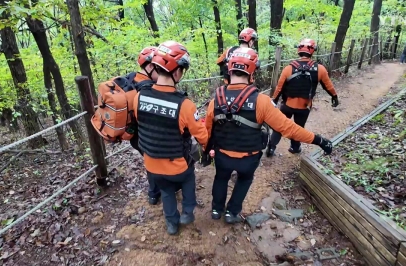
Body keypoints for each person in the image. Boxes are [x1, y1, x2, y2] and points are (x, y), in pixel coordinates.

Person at [204, 47, 333, 224]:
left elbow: (208, 132)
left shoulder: (214, 101)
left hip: (222, 155)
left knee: (220, 178)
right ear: (251, 73)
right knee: (244, 180)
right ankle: (231, 212)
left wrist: (206, 151)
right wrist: (318, 140)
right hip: (248, 158)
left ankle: (217, 210)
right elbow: (289, 128)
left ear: (230, 69)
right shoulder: (262, 102)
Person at [133, 40, 208, 235]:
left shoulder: (138, 97)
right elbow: (201, 136)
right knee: (188, 176)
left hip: (151, 165)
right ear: (176, 72)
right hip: (177, 166)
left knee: (166, 190)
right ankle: (188, 211)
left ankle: (172, 223)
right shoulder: (185, 105)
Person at [266, 38, 339, 157]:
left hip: (287, 105)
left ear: (299, 50)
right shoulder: (320, 69)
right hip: (304, 107)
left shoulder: (289, 68)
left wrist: (274, 100)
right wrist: (334, 97)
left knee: (279, 125)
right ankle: (295, 147)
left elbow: (279, 87)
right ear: (312, 51)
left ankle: (271, 147)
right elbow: (328, 86)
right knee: (298, 127)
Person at [128, 46, 161, 205]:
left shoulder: (131, 78)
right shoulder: (148, 88)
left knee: (150, 161)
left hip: (134, 135)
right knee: (155, 162)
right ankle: (156, 192)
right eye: (157, 66)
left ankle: (154, 192)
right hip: (145, 135)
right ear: (149, 66)